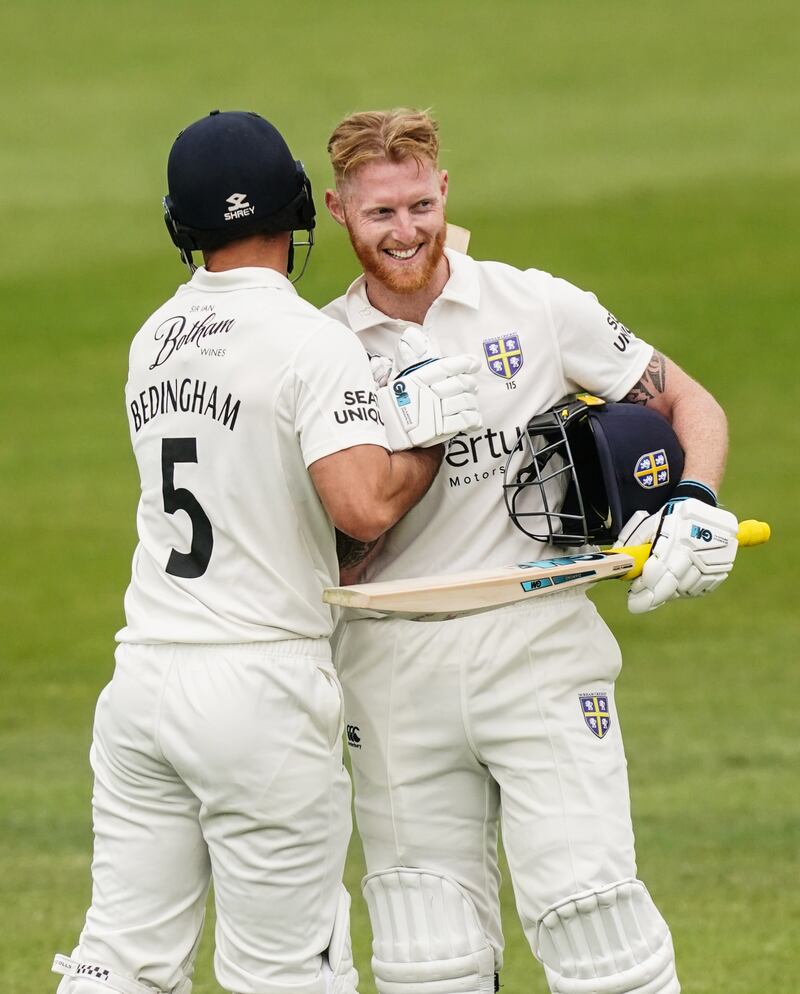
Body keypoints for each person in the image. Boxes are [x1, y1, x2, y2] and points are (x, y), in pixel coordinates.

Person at [52, 109, 483, 994]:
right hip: (260, 685)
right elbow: (362, 506)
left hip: (144, 679)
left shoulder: (150, 342)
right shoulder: (309, 340)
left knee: (120, 962)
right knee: (286, 973)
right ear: (299, 209)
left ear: (182, 227)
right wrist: (432, 433)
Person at [321, 108, 740, 994]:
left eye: (419, 206)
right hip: (393, 667)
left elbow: (692, 405)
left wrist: (694, 504)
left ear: (445, 193)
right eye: (380, 214)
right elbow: (329, 550)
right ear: (336, 211)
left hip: (541, 645)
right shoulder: (320, 351)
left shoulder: (535, 305)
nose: (406, 232)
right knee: (425, 960)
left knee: (600, 934)